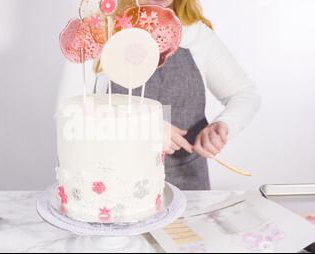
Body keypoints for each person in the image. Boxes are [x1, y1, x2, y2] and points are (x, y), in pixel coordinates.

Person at [58, 0, 261, 190]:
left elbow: (244, 94)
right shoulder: (99, 31)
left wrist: (224, 125)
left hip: (189, 188)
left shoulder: (196, 34)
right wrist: (141, 128)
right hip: (116, 188)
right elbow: (67, 115)